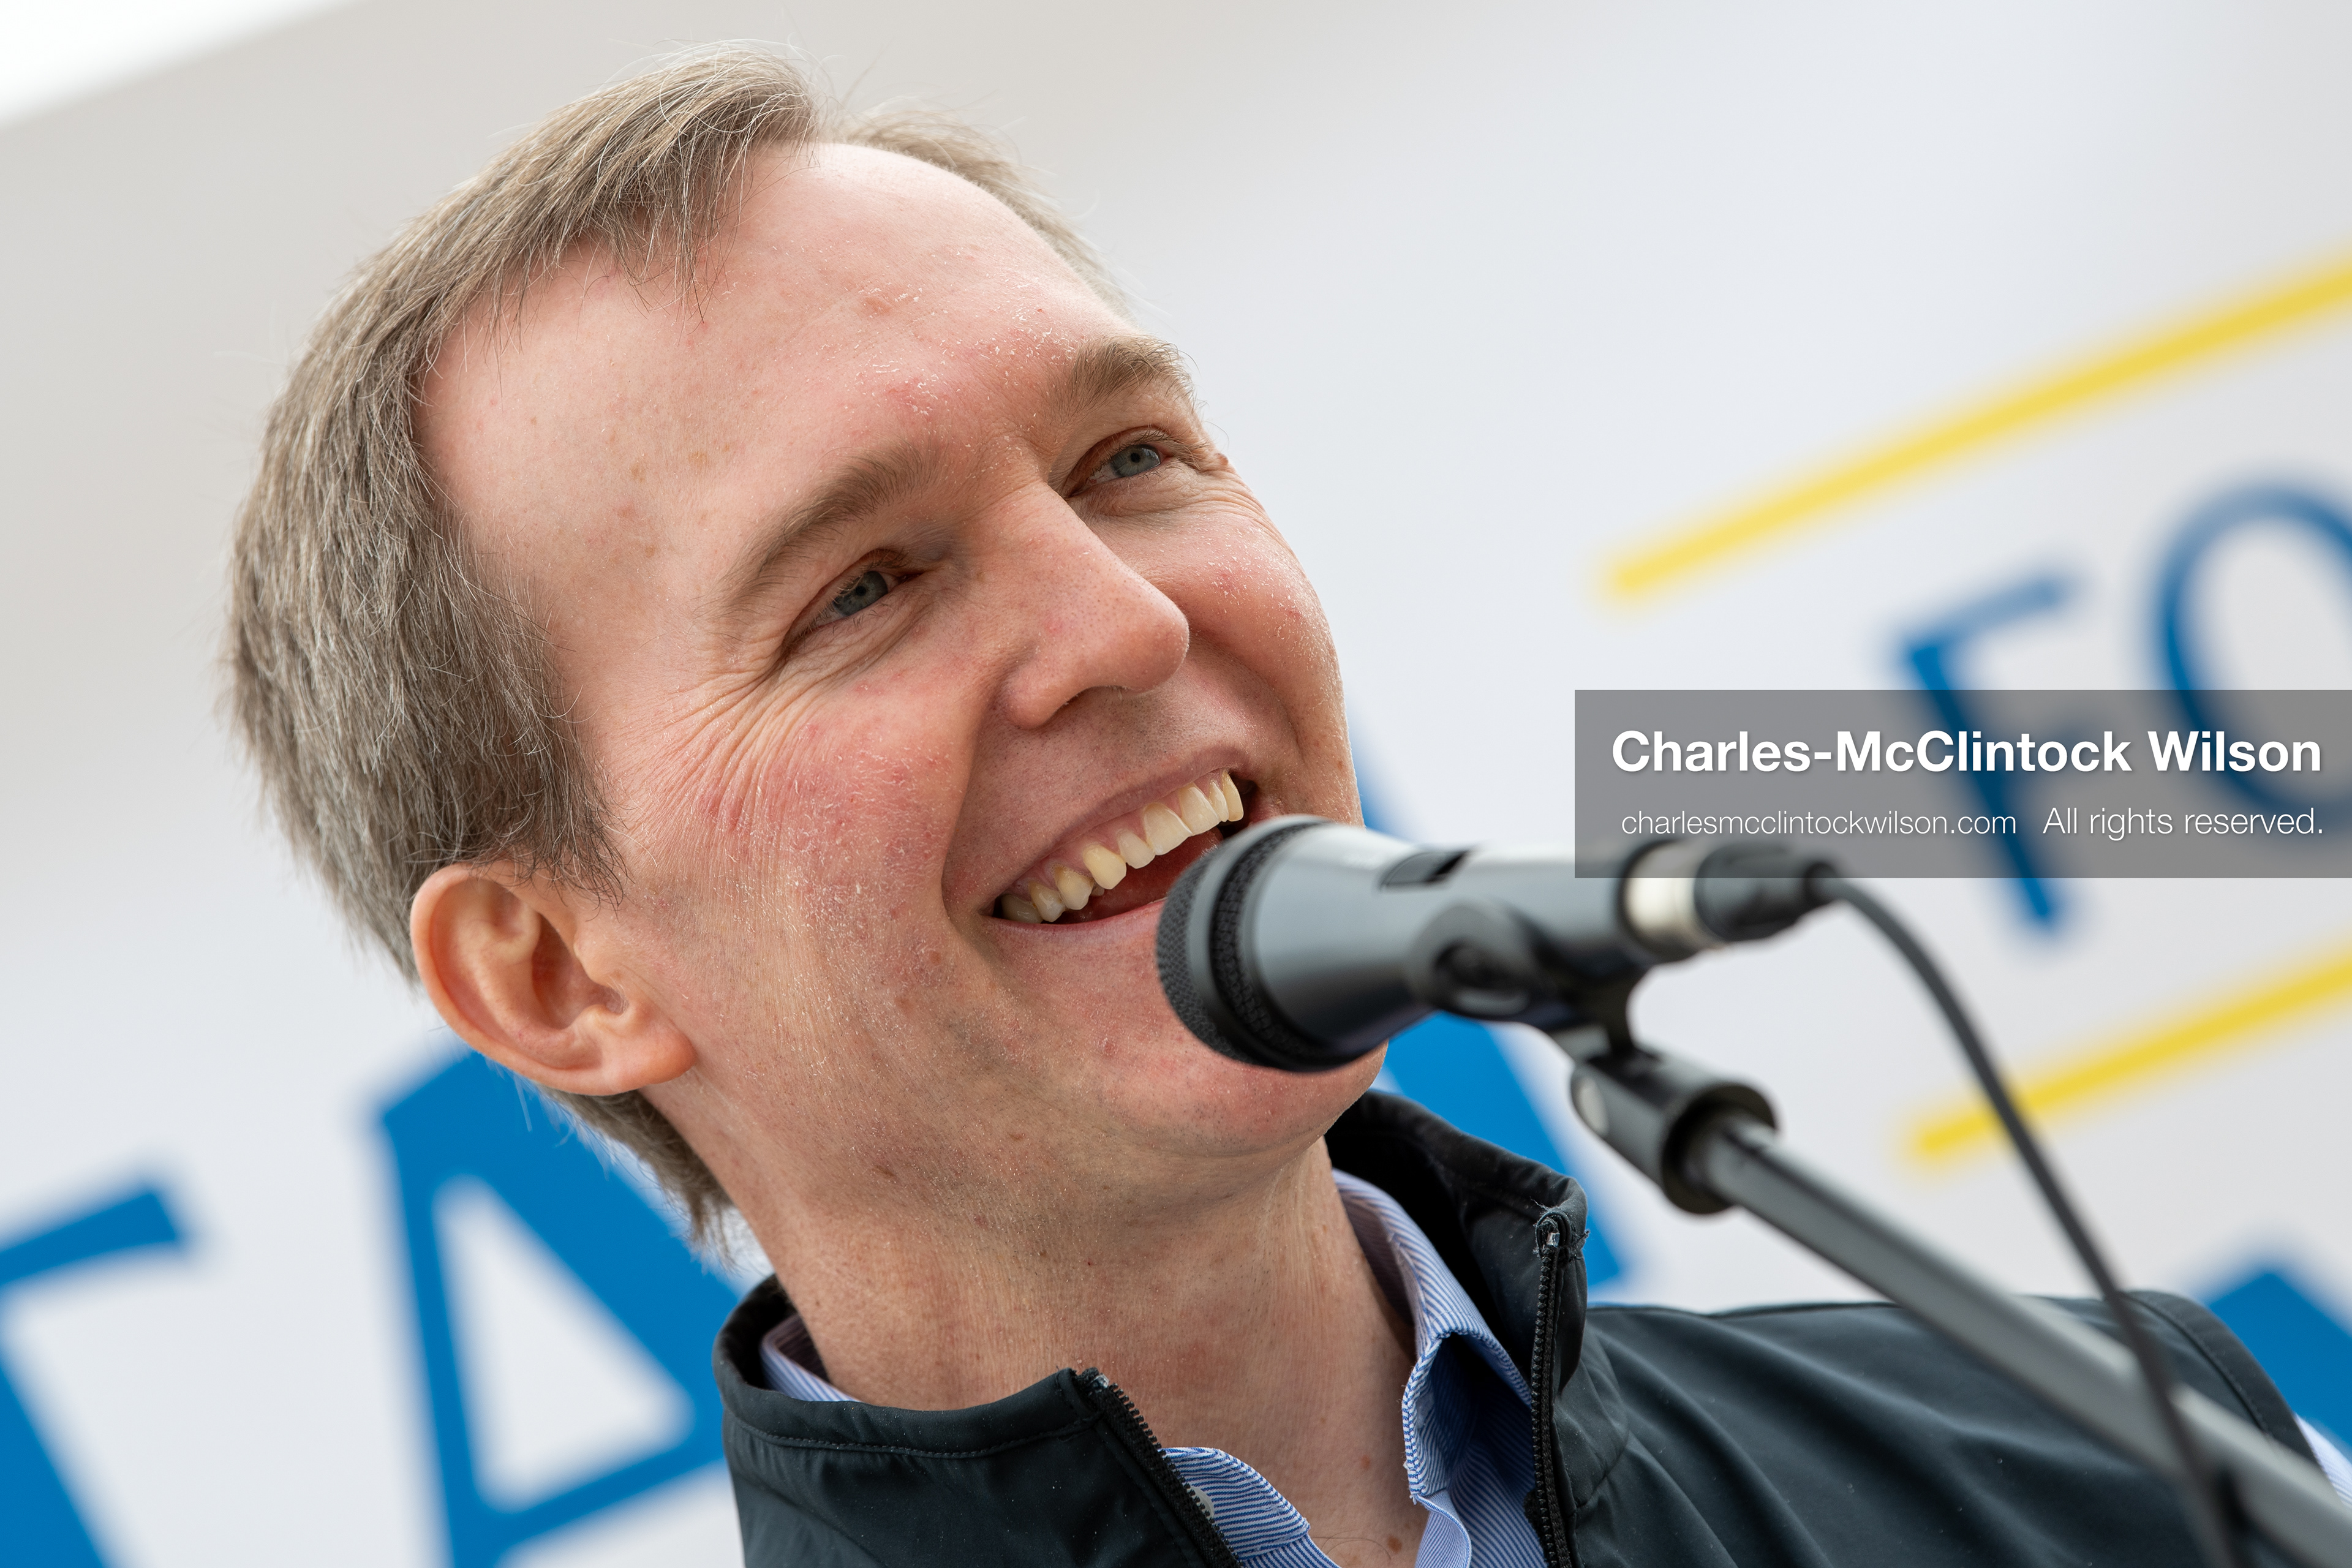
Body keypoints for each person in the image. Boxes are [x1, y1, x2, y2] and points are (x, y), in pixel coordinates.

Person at [229, 47, 2347, 1568]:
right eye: (862, 588)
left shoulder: (2107, 1463)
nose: (1123, 620)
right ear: (557, 974)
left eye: (1131, 457)